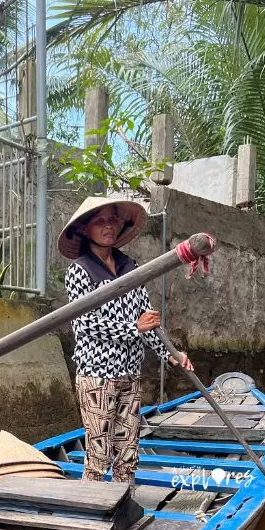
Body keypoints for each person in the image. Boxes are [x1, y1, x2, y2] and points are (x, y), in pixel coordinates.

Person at [58, 195, 194, 487]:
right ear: (84, 229)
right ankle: (93, 511)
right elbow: (86, 323)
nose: (108, 227)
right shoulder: (79, 270)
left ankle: (123, 504)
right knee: (98, 454)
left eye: (113, 220)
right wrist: (134, 327)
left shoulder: (130, 266)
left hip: (129, 376)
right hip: (97, 377)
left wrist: (170, 353)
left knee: (128, 452)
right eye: (100, 221)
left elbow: (149, 322)